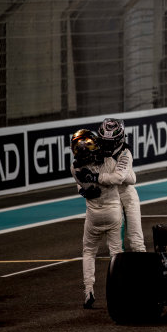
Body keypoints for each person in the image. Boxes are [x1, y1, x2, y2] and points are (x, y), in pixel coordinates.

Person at [70, 128, 134, 309]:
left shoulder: (75, 168)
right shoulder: (109, 161)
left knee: (88, 252)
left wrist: (89, 183)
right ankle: (120, 291)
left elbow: (82, 187)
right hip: (113, 211)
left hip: (93, 215)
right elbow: (125, 178)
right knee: (116, 254)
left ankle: (88, 291)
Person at [97, 118, 146, 254]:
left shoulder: (125, 152)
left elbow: (119, 178)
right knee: (115, 245)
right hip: (110, 197)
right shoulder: (94, 151)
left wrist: (99, 178)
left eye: (110, 142)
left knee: (137, 240)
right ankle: (118, 271)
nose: (107, 144)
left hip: (127, 194)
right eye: (104, 141)